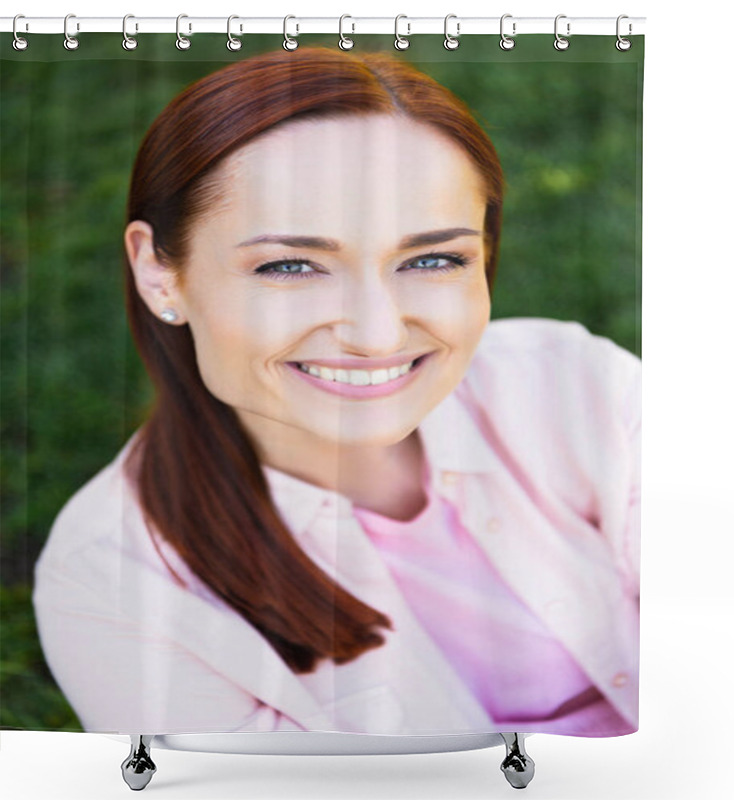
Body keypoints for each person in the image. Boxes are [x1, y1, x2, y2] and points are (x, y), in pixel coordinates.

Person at [32, 46, 641, 738]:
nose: (378, 335)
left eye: (433, 258)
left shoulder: (578, 383)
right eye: (292, 265)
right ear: (159, 273)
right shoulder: (116, 584)